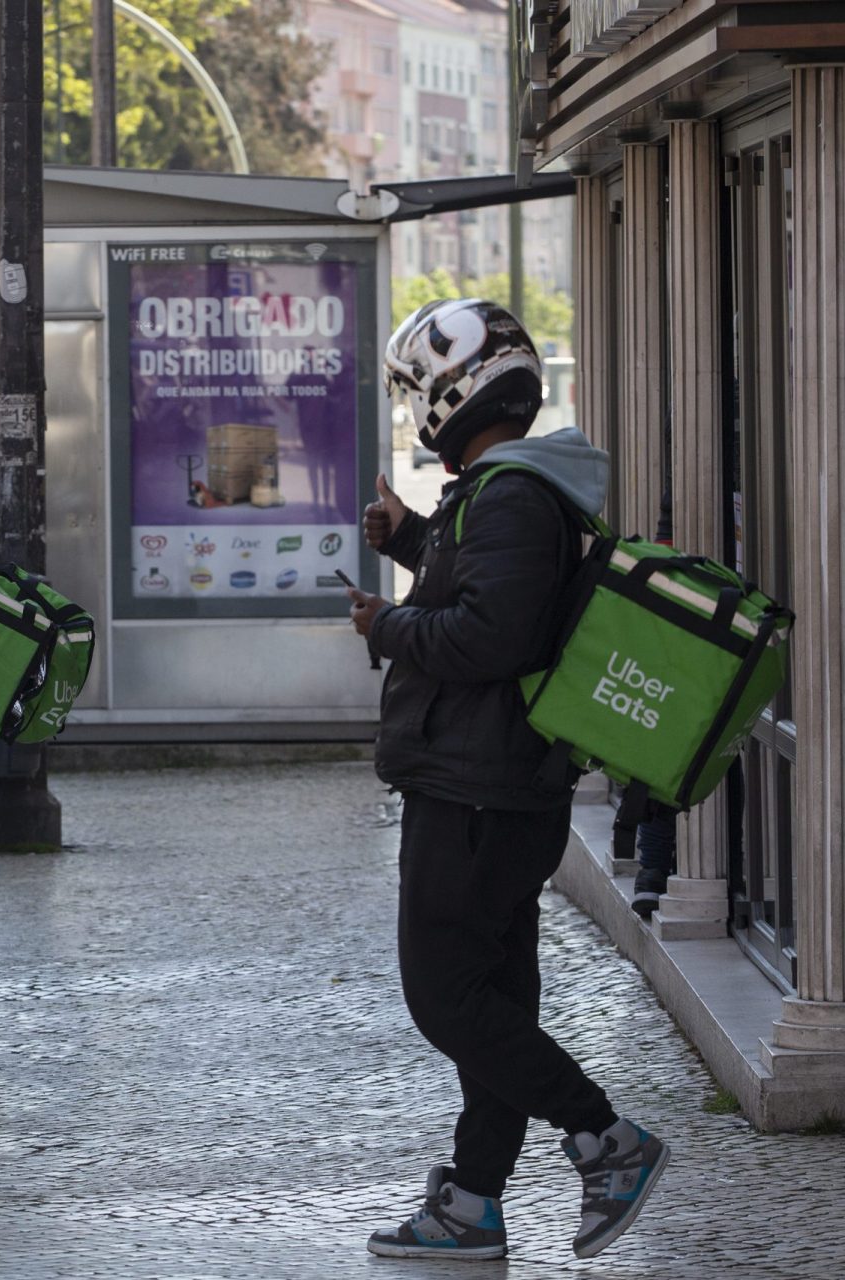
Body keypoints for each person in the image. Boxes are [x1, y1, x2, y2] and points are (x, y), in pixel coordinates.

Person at [352, 300, 668, 1263]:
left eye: (422, 398)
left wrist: (386, 626)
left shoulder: (516, 497)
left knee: (445, 998)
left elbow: (491, 636)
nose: (418, 416)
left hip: (479, 788)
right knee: (496, 1003)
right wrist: (411, 540)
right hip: (491, 783)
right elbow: (492, 593)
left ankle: (607, 1140)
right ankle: (474, 1202)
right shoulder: (510, 491)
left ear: (452, 398)